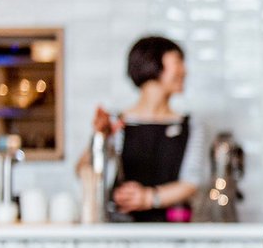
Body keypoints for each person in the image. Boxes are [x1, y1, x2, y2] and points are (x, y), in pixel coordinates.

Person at [80, 36, 203, 221]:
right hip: (120, 225)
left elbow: (191, 182)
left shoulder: (190, 125)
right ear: (152, 63)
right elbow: (83, 171)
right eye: (178, 61)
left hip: (173, 228)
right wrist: (100, 137)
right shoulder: (115, 122)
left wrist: (149, 198)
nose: (184, 71)